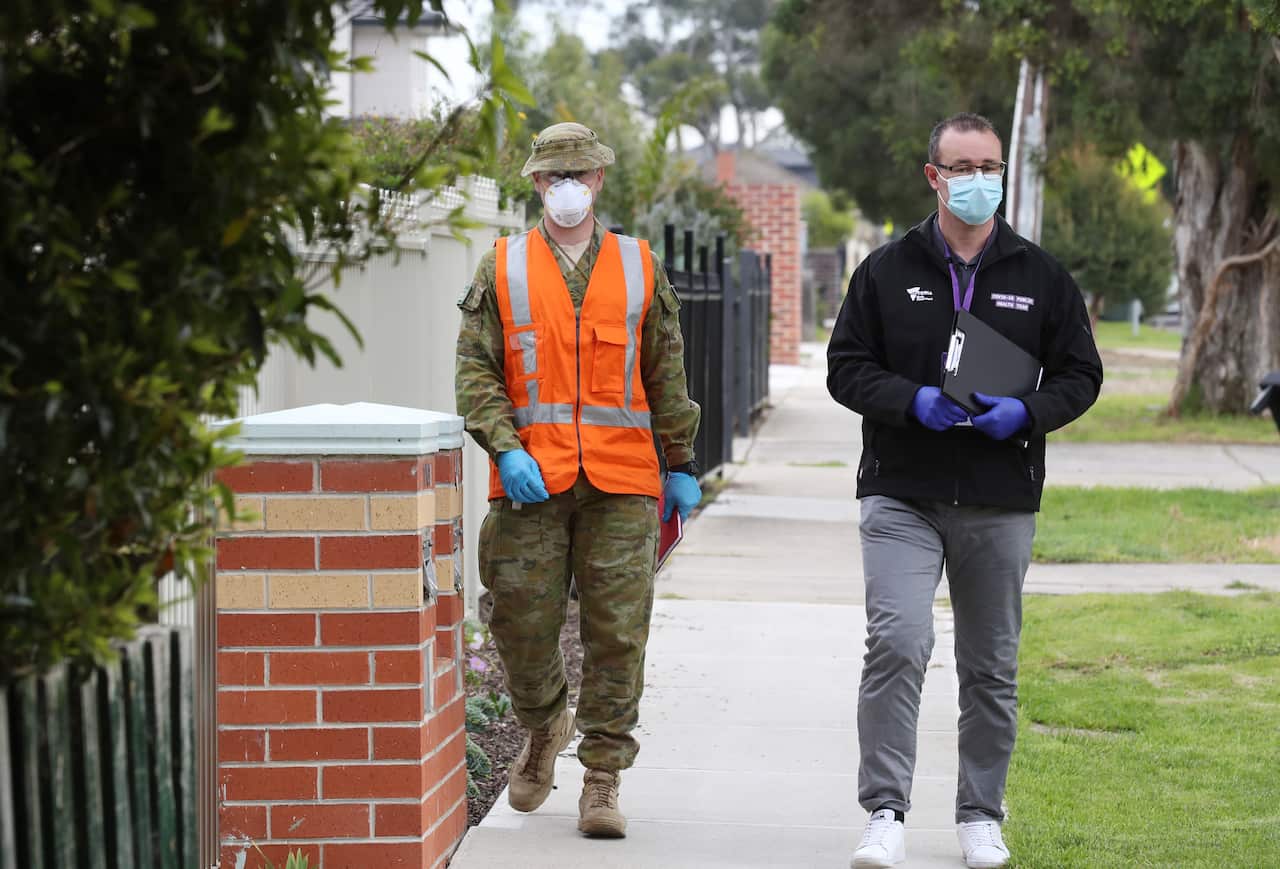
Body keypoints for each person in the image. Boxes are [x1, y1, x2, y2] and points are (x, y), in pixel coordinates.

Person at [828, 112, 1103, 869]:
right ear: (934, 176)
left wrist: (1029, 412)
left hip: (999, 496)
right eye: (963, 166)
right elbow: (845, 366)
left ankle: (981, 814)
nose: (979, 179)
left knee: (991, 665)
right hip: (902, 494)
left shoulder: (1040, 276)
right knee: (898, 641)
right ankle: (885, 811)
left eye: (991, 165)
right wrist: (909, 399)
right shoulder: (885, 270)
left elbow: (1082, 375)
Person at [455, 122, 702, 839]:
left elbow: (666, 370)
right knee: (519, 617)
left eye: (580, 174)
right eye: (554, 176)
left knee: (617, 632)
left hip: (622, 478)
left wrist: (679, 464)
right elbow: (475, 370)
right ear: (536, 183)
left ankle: (602, 775)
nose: (568, 187)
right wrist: (504, 449)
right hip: (532, 478)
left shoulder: (638, 264)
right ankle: (542, 723)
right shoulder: (501, 266)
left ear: (599, 180)